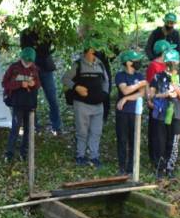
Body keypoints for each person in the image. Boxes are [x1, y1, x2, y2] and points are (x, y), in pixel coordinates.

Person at [63, 38, 109, 167]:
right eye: (94, 51)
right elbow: (65, 79)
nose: (96, 53)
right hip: (82, 105)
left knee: (96, 131)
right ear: (88, 51)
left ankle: (94, 157)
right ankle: (80, 155)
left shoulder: (100, 64)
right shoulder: (77, 65)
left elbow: (106, 81)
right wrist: (76, 87)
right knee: (82, 132)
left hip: (98, 105)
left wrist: (104, 94)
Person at [149, 49, 180, 178]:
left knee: (173, 142)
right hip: (160, 113)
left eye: (174, 61)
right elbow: (151, 95)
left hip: (175, 113)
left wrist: (176, 88)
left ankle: (170, 168)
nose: (172, 64)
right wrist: (165, 94)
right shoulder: (158, 76)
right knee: (160, 141)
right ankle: (160, 168)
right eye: (169, 62)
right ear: (165, 62)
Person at [20, 26, 63, 134]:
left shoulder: (47, 31)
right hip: (31, 69)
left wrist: (39, 47)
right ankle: (34, 126)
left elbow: (48, 48)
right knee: (32, 100)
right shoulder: (25, 33)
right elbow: (26, 51)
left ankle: (56, 126)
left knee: (52, 98)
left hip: (46, 68)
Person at [2, 46, 41, 161]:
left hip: (30, 103)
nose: (27, 63)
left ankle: (24, 153)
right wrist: (20, 84)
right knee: (15, 128)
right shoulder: (13, 68)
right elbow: (5, 83)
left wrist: (33, 83)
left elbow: (38, 84)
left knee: (28, 129)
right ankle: (9, 154)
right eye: (26, 60)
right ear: (21, 58)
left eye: (30, 61)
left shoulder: (35, 69)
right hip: (17, 103)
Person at [114, 50, 147, 175]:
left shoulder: (139, 75)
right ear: (128, 63)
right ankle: (122, 166)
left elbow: (141, 93)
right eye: (136, 60)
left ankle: (131, 167)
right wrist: (137, 86)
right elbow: (125, 90)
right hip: (122, 113)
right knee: (122, 139)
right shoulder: (120, 76)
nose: (138, 63)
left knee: (134, 139)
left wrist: (126, 98)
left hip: (135, 113)